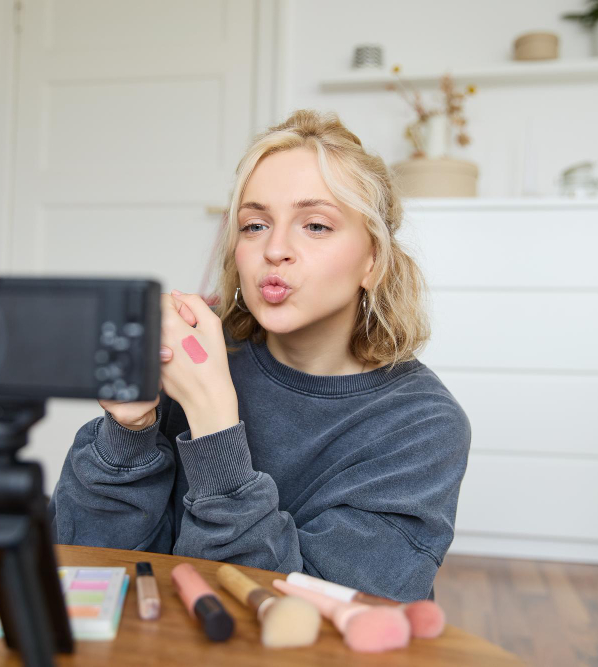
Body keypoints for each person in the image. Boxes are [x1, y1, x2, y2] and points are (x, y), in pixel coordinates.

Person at [49, 109, 471, 602]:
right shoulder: (191, 357)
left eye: (315, 225)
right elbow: (86, 566)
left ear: (373, 261)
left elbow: (309, 620)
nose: (275, 249)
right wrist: (129, 431)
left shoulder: (421, 425)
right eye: (254, 225)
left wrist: (213, 421)